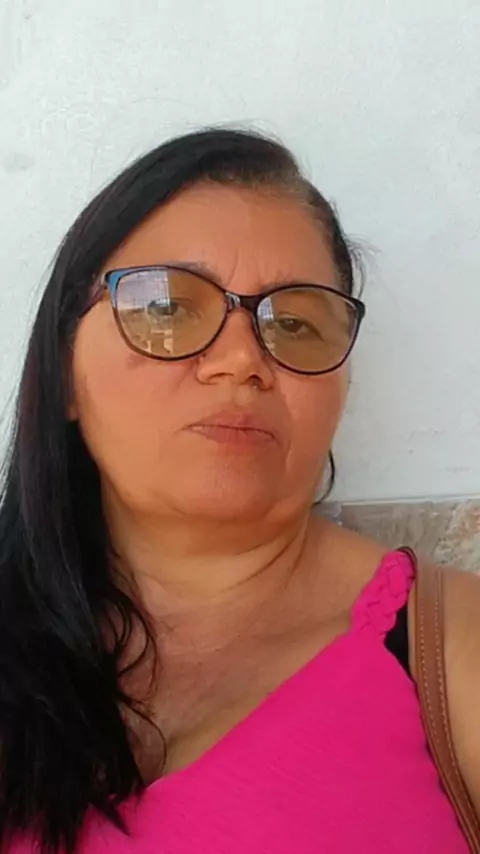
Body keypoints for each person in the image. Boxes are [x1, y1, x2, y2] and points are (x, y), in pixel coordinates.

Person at [0, 128, 479, 854]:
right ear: (64, 370)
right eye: (166, 309)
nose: (239, 360)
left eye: (295, 321)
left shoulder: (453, 649)